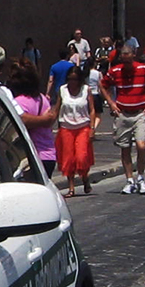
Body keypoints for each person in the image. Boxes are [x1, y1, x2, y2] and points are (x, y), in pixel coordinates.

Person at [100, 45, 145, 195]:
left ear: (133, 56)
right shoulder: (115, 71)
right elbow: (103, 85)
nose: (127, 62)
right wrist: (111, 103)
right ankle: (129, 180)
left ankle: (140, 177)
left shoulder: (143, 69)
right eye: (124, 58)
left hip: (139, 113)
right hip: (123, 113)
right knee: (125, 147)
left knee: (141, 145)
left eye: (129, 58)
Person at [8, 60, 58, 176]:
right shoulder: (42, 99)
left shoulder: (19, 102)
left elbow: (21, 121)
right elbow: (49, 119)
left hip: (30, 158)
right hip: (48, 155)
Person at [55, 66, 96, 196]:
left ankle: (85, 177)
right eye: (70, 79)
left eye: (75, 79)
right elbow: (57, 108)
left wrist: (93, 128)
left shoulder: (86, 90)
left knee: (81, 156)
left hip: (83, 127)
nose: (72, 82)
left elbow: (92, 109)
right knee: (68, 159)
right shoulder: (63, 90)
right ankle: (71, 188)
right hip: (66, 127)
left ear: (80, 80)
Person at [88, 61, 104, 136]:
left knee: (88, 113)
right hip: (96, 94)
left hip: (87, 95)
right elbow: (101, 84)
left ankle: (89, 127)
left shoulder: (85, 73)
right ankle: (93, 127)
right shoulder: (98, 73)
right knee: (98, 115)